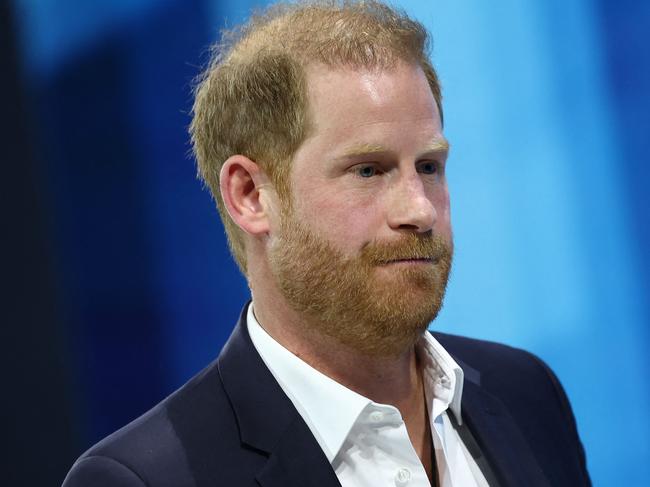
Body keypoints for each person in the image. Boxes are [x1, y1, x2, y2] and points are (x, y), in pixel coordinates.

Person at [62, 1, 591, 486]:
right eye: (368, 170)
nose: (420, 210)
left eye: (428, 166)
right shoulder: (146, 479)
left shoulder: (525, 393)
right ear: (250, 195)